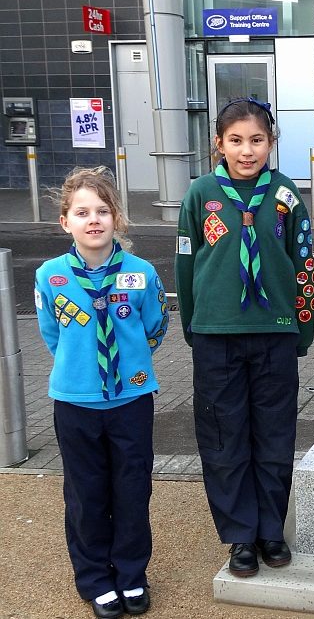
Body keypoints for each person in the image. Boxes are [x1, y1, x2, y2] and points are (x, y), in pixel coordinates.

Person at [175, 98, 314, 578]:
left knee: (274, 436)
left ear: (271, 142)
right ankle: (239, 535)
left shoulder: (286, 194)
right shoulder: (200, 194)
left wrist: (303, 327)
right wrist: (193, 324)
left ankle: (270, 529)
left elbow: (304, 264)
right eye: (236, 140)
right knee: (223, 438)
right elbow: (186, 261)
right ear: (219, 143)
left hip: (275, 332)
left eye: (257, 140)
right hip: (216, 335)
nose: (247, 150)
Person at [34, 167, 168, 619]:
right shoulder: (50, 276)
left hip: (130, 401)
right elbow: (53, 334)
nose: (94, 220)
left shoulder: (142, 273)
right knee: (86, 494)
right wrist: (81, 371)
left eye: (103, 211)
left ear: (118, 219)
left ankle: (131, 574)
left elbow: (154, 327)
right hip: (76, 404)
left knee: (132, 490)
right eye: (82, 212)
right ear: (65, 221)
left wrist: (131, 366)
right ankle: (95, 578)